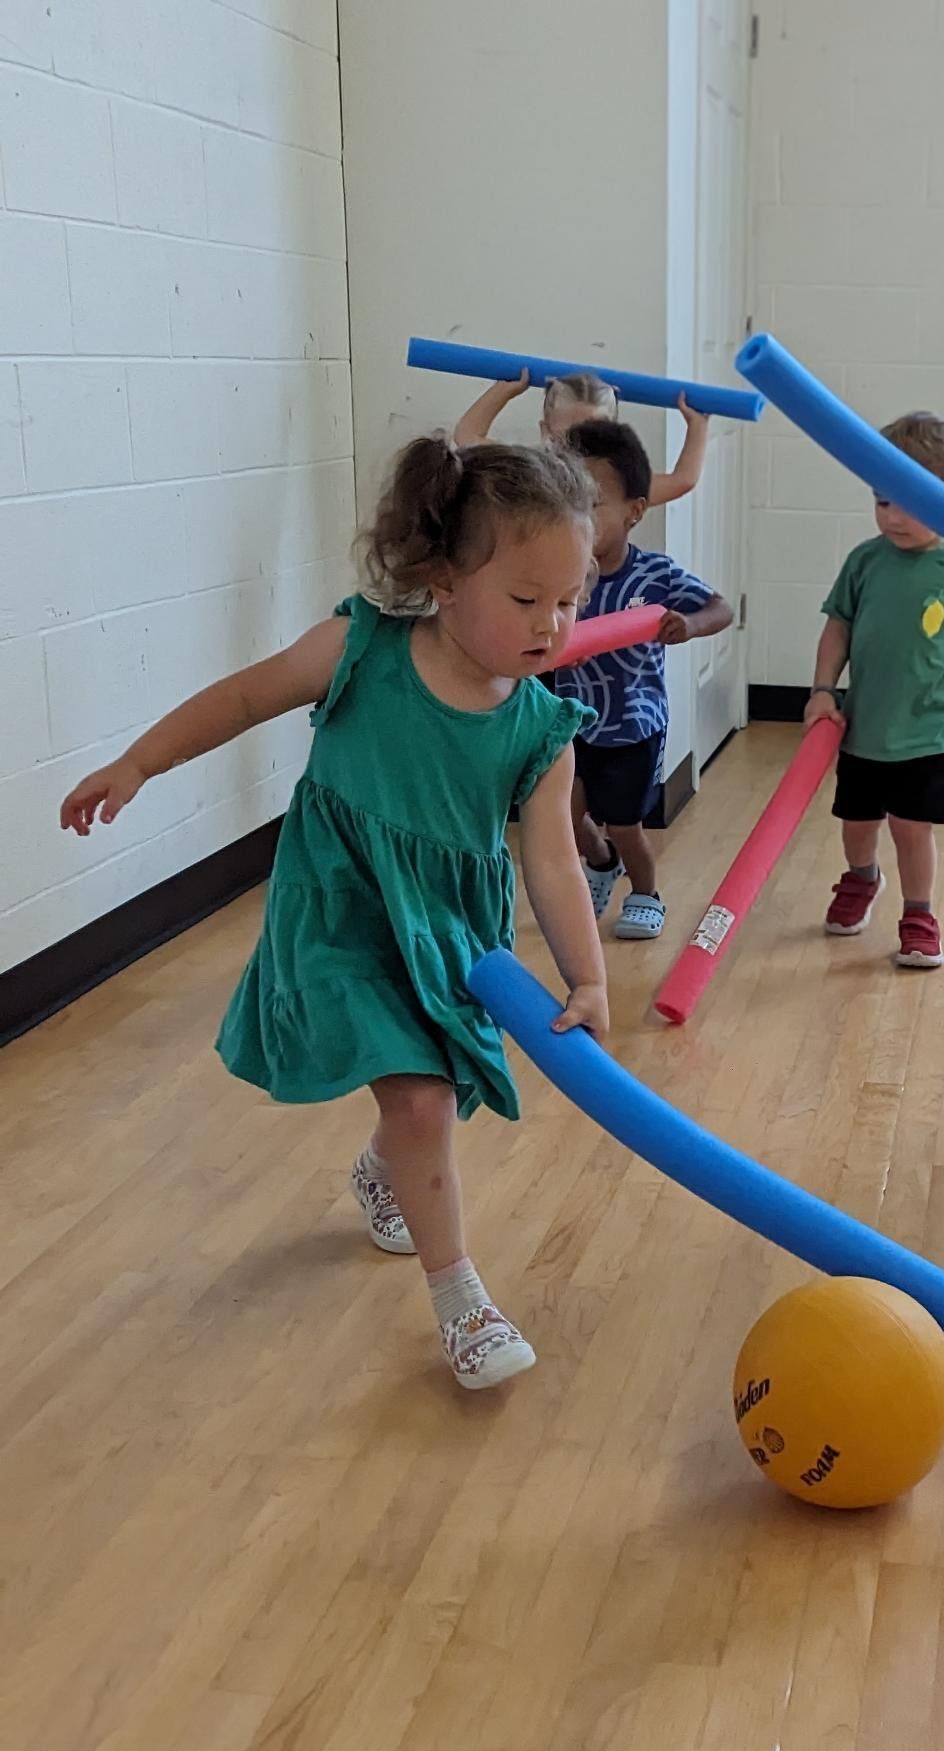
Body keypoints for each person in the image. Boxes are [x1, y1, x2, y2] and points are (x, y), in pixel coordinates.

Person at [59, 435, 608, 1390]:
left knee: (421, 1102)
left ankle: (381, 1170)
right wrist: (138, 763)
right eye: (526, 600)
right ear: (441, 580)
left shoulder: (540, 731)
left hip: (445, 932)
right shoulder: (360, 651)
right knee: (421, 1097)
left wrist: (589, 975)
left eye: (569, 602)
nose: (552, 626)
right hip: (341, 911)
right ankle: (462, 1303)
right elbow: (241, 697)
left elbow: (553, 864)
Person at [803, 411, 944, 970]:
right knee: (856, 821)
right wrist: (823, 689)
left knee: (911, 827)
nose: (892, 517)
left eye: (909, 503)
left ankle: (918, 913)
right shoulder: (865, 561)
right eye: (881, 501)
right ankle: (861, 878)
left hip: (930, 731)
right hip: (864, 726)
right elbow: (839, 627)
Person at [550, 418, 733, 940]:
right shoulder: (561, 572)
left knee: (627, 823)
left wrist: (690, 625)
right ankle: (602, 863)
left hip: (633, 726)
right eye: (569, 501)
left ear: (633, 512)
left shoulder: (655, 574)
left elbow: (720, 608)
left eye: (592, 503)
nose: (577, 517)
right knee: (563, 817)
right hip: (574, 720)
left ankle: (647, 894)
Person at [454, 370, 709, 508]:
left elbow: (682, 480)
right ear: (547, 433)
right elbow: (467, 436)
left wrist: (697, 426)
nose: (583, 450)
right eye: (571, 439)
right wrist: (504, 390)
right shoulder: (532, 471)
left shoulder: (617, 485)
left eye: (595, 436)